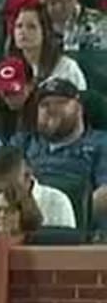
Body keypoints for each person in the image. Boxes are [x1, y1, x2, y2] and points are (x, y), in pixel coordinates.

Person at [14, 77, 107, 221]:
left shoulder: (101, 143)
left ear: (79, 107)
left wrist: (65, 215)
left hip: (80, 229)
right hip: (26, 223)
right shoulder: (22, 142)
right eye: (45, 105)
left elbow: (105, 193)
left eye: (61, 103)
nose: (52, 109)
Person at [0, 143, 77, 230]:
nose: (4, 195)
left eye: (10, 188)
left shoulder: (57, 203)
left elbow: (67, 252)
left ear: (27, 176)